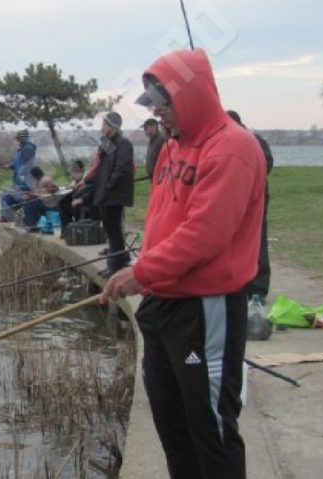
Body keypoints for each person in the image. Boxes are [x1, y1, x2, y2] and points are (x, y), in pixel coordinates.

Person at [100, 49, 266, 479]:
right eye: (153, 104)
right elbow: (162, 223)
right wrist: (145, 269)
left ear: (191, 96)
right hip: (162, 305)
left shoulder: (233, 148)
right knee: (173, 427)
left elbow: (204, 236)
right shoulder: (173, 147)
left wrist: (139, 273)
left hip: (205, 309)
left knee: (210, 428)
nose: (157, 113)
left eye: (163, 103)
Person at [227, 110, 274, 304]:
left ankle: (258, 288)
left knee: (258, 240)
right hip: (236, 197)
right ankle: (243, 283)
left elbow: (267, 164)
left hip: (255, 196)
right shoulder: (231, 141)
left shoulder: (253, 141)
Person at [92, 111, 134, 277]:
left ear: (112, 126)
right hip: (105, 193)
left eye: (104, 125)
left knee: (114, 230)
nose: (101, 128)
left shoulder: (124, 143)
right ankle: (116, 262)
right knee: (109, 229)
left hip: (115, 194)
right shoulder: (108, 143)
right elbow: (100, 166)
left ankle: (116, 267)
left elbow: (122, 169)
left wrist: (108, 187)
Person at [0, 129, 38, 222]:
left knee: (7, 194)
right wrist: (10, 166)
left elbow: (28, 166)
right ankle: (8, 215)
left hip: (25, 182)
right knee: (7, 195)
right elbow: (18, 163)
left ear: (20, 139)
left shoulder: (28, 149)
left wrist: (22, 183)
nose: (15, 141)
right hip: (19, 181)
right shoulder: (21, 149)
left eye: (16, 139)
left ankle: (8, 216)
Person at [58, 159, 94, 230]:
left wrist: (81, 199)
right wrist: (69, 188)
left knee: (76, 205)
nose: (72, 175)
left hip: (86, 203)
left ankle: (77, 229)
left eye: (73, 172)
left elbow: (91, 192)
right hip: (77, 202)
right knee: (61, 202)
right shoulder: (75, 180)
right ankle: (66, 229)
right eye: (72, 172)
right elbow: (72, 189)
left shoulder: (87, 178)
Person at [21, 166, 59, 231]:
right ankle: (30, 224)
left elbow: (54, 190)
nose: (31, 178)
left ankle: (32, 225)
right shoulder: (38, 181)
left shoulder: (45, 180)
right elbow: (37, 193)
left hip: (51, 205)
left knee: (31, 204)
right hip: (44, 203)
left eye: (31, 176)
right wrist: (30, 194)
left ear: (35, 175)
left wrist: (36, 195)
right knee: (28, 202)